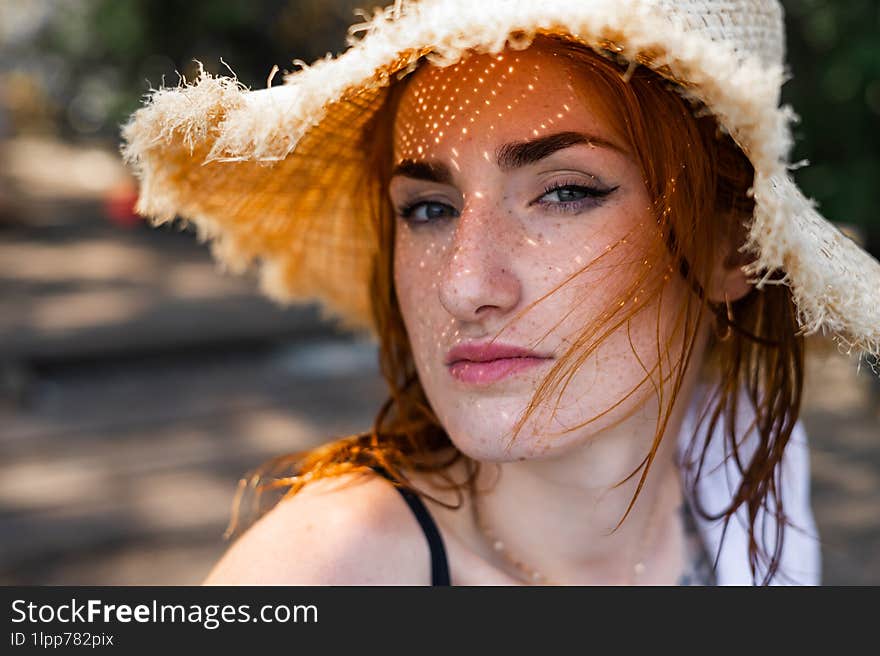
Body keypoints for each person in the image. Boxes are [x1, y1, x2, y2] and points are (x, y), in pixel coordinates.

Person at [121, 0, 880, 585]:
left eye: (566, 193)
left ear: (732, 248)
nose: (465, 285)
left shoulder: (746, 462)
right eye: (428, 208)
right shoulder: (330, 570)